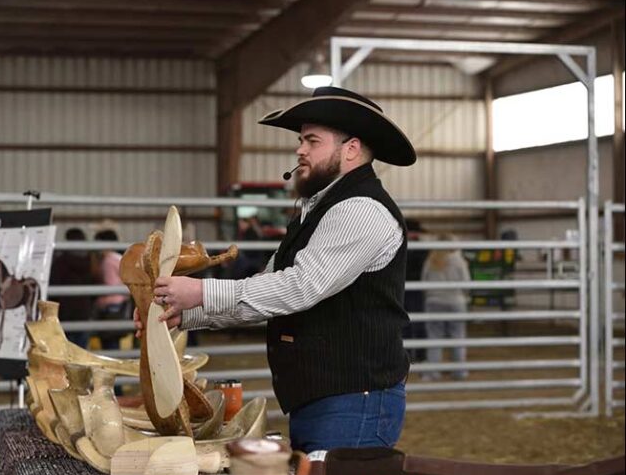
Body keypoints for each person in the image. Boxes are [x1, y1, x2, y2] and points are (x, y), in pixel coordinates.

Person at [141, 86, 417, 454]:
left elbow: (300, 287)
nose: (300, 149)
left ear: (350, 149)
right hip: (329, 400)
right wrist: (182, 314)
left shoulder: (361, 210)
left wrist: (202, 292)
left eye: (312, 141)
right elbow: (266, 290)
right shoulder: (318, 210)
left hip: (353, 402)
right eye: (302, 140)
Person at [421, 235, 471, 381]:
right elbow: (467, 283)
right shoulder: (459, 261)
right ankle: (459, 371)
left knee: (434, 337)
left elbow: (424, 281)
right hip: (456, 302)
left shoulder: (430, 261)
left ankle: (432, 372)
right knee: (458, 336)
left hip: (433, 302)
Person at [48, 227, 95, 349]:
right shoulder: (90, 260)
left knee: (65, 353)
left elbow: (54, 286)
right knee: (82, 354)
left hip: (65, 313)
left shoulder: (60, 262)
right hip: (84, 312)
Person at [92, 227, 130, 352]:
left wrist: (98, 302)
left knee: (109, 343)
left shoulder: (107, 261)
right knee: (115, 341)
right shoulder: (119, 258)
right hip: (121, 303)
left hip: (110, 305)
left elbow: (110, 286)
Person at [403, 219, 428, 362]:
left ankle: (410, 354)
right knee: (417, 322)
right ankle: (419, 354)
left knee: (408, 323)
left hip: (405, 289)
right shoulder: (422, 249)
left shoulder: (401, 247)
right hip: (415, 290)